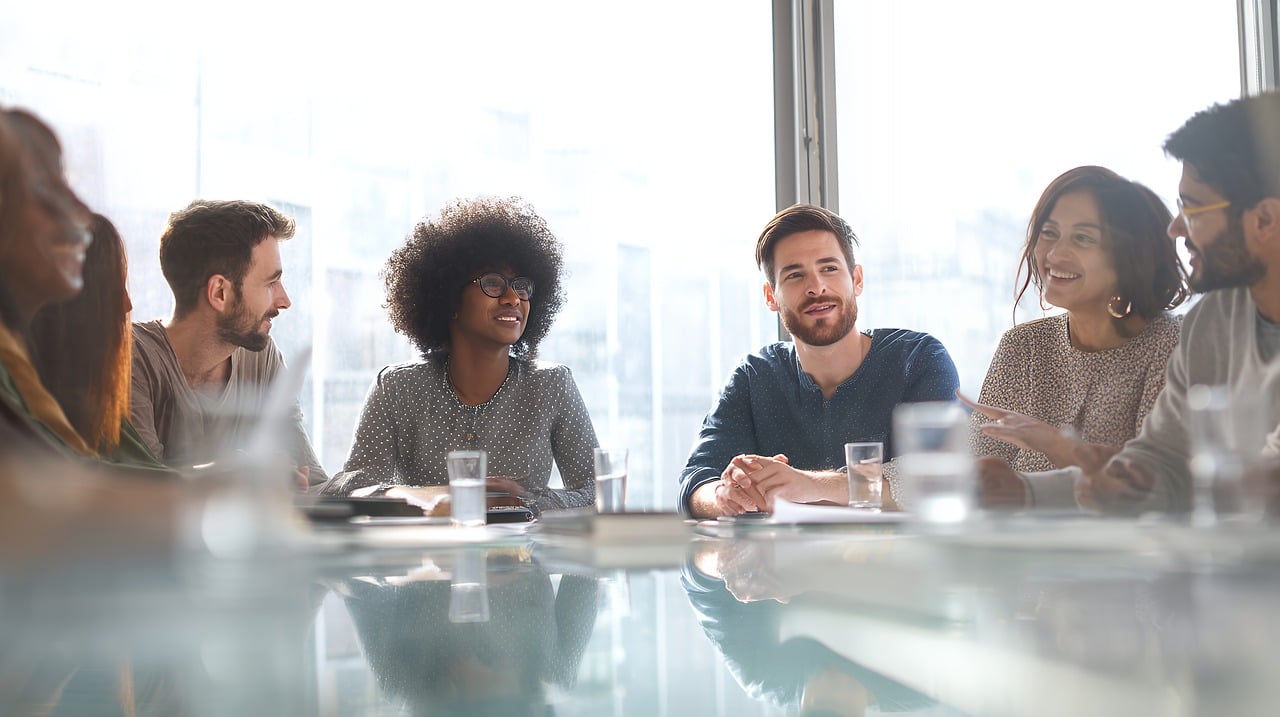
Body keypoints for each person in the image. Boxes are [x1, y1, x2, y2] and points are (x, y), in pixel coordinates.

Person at [988, 92, 1280, 514]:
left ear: (1264, 220)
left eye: (1194, 210)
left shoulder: (1171, 337)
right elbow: (1163, 462)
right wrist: (1024, 491)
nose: (1176, 228)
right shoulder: (1213, 321)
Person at [317, 197, 598, 513]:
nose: (513, 298)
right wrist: (445, 494)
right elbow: (351, 489)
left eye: (521, 286)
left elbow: (598, 492)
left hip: (523, 546)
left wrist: (527, 504)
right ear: (449, 299)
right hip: (427, 547)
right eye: (493, 284)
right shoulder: (397, 388)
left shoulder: (552, 385)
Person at [680, 203, 960, 518]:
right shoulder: (753, 376)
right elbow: (695, 482)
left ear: (857, 279)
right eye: (795, 275)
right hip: (779, 552)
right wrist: (724, 496)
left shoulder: (919, 359)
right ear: (771, 297)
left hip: (896, 550)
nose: (816, 287)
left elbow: (937, 480)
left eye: (829, 269)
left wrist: (809, 485)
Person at [960, 166, 1189, 507]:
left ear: (1131, 257)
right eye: (1049, 233)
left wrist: (1058, 447)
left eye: (1083, 238)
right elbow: (966, 470)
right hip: (1019, 540)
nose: (1054, 255)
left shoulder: (1175, 344)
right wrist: (873, 479)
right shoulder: (1023, 346)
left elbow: (1155, 488)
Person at [130, 199, 326, 484]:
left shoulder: (261, 356)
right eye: (271, 284)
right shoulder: (132, 359)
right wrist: (234, 474)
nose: (284, 301)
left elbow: (313, 481)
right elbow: (143, 488)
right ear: (219, 293)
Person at [30, 213, 167, 469]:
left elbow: (151, 472)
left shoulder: (91, 392)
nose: (127, 305)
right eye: (109, 288)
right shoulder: (20, 392)